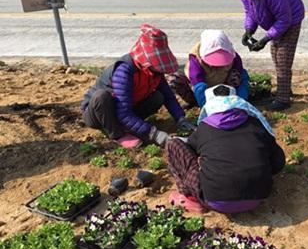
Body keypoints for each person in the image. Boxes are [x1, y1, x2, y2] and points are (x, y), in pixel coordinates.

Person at [166, 84, 286, 214]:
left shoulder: (204, 128)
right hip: (259, 195)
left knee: (173, 145)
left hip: (215, 199)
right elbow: (278, 162)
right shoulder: (256, 124)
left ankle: (190, 198)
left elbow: (190, 149)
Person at [81, 24, 194, 148]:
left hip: (127, 107)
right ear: (146, 60)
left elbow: (169, 97)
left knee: (158, 97)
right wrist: (155, 134)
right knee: (101, 97)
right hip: (99, 114)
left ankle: (130, 125)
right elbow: (123, 111)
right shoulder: (125, 70)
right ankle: (117, 134)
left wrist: (181, 119)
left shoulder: (155, 72)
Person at [231, 0, 305, 111]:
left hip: (291, 21)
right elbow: (250, 12)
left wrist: (266, 38)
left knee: (283, 59)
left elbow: (285, 19)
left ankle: (283, 99)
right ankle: (284, 90)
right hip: (276, 22)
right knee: (275, 55)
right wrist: (249, 30)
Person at [168, 29, 250, 108]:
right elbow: (199, 87)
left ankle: (232, 101)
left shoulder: (234, 57)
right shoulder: (196, 61)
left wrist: (239, 101)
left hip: (225, 92)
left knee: (238, 75)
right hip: (201, 93)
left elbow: (242, 78)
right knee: (174, 79)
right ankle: (193, 103)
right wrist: (207, 107)